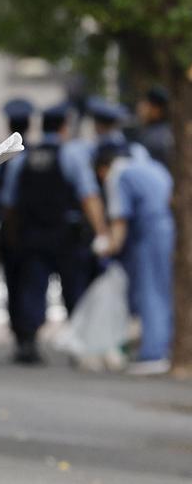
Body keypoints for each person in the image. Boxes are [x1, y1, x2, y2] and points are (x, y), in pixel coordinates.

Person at [0, 103, 108, 364]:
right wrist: (101, 231)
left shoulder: (24, 157)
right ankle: (78, 346)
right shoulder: (71, 155)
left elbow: (9, 204)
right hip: (66, 236)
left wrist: (11, 236)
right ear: (63, 126)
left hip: (32, 236)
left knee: (32, 290)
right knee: (74, 291)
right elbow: (88, 196)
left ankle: (28, 343)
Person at [94, 143, 175, 375]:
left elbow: (120, 220)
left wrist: (107, 247)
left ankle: (153, 352)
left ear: (103, 169)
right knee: (164, 290)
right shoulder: (152, 167)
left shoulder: (119, 176)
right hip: (169, 230)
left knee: (150, 293)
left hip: (150, 235)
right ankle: (165, 345)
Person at [0, 98, 33, 349]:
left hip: (8, 231)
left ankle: (20, 332)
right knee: (32, 282)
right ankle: (29, 332)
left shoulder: (2, 156)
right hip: (35, 231)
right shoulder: (36, 153)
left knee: (13, 283)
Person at [132, 85, 174, 168]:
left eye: (146, 104)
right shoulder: (150, 131)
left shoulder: (157, 138)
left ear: (156, 109)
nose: (140, 108)